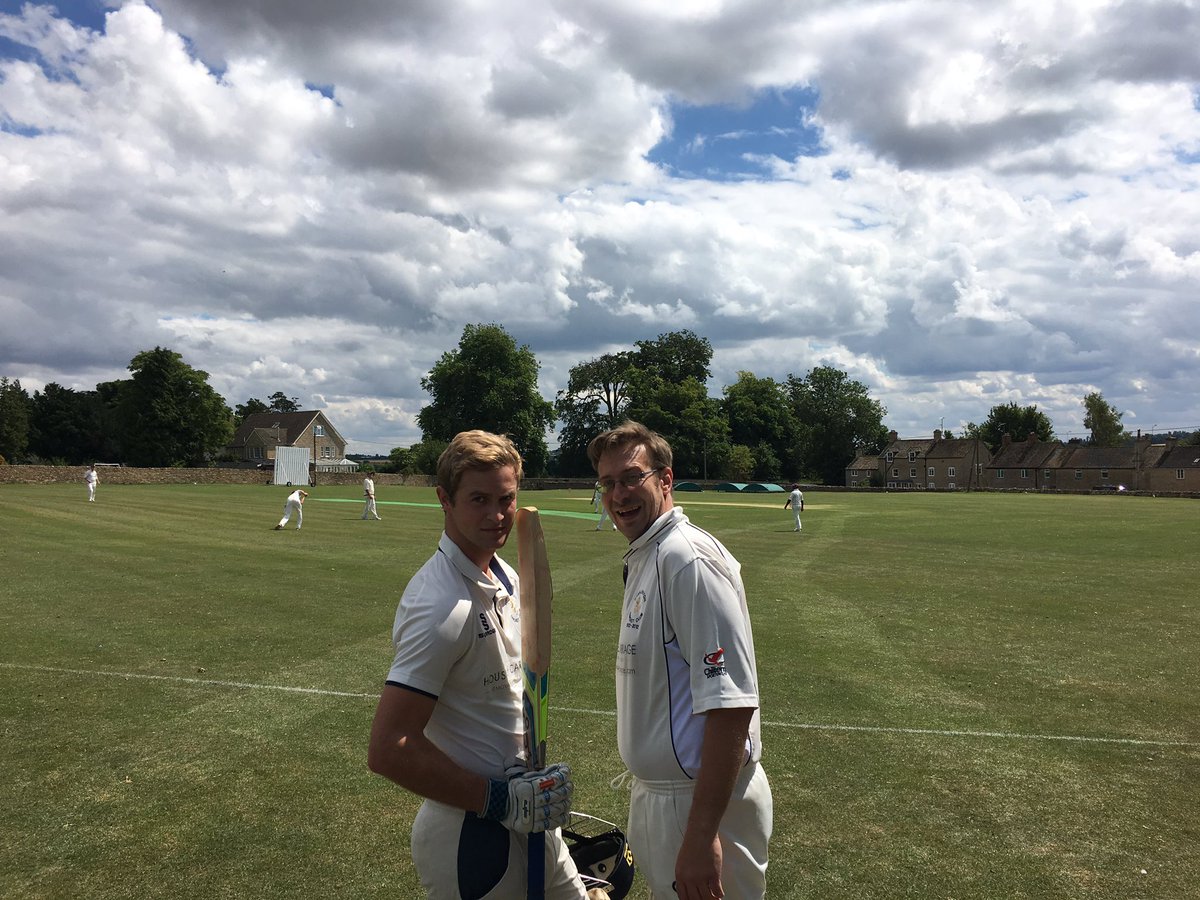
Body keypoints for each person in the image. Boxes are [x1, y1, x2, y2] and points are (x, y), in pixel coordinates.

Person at [367, 430, 587, 899]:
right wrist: (498, 799)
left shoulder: (506, 575)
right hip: (472, 833)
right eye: (479, 500)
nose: (496, 515)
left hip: (531, 815)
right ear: (444, 500)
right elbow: (389, 748)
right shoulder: (440, 605)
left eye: (506, 499)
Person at [588, 421, 772, 900]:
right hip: (663, 797)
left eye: (632, 478)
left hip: (698, 804)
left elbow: (731, 703)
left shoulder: (687, 560)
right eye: (608, 483)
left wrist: (700, 835)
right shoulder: (648, 553)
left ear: (665, 479)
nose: (618, 495)